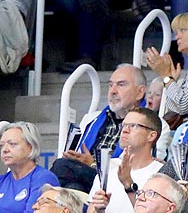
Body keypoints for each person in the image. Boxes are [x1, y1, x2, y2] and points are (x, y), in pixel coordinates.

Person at [50, 64, 149, 192]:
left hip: (119, 183)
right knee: (73, 188)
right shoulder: (92, 119)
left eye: (121, 85)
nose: (113, 91)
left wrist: (93, 164)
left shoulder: (151, 125)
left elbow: (145, 167)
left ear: (140, 92)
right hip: (87, 180)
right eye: (110, 85)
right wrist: (77, 158)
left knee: (61, 166)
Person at [86, 107, 169, 213]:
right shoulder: (107, 169)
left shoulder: (162, 173)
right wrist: (97, 211)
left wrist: (128, 184)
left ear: (151, 135)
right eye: (124, 125)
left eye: (133, 126)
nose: (125, 130)